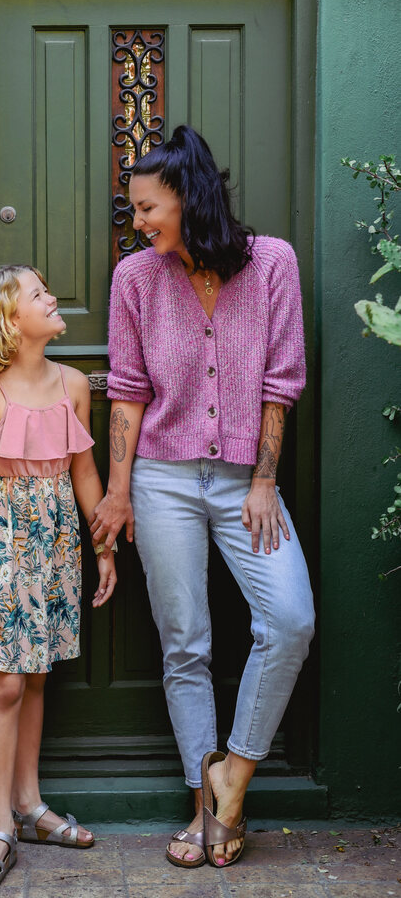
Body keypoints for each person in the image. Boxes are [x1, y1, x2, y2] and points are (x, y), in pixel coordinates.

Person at [90, 125, 315, 869]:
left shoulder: (272, 264)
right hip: (159, 479)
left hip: (245, 479)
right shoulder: (135, 279)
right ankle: (203, 809)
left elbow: (281, 384)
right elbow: (126, 393)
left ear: (190, 198)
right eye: (135, 211)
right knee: (185, 644)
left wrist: (262, 480)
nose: (139, 221)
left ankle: (232, 781)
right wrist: (118, 493)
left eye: (149, 207)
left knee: (289, 619)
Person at [0, 265, 117, 891]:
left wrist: (104, 547)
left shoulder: (74, 384)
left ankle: (30, 803)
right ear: (7, 320)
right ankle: (0, 827)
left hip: (54, 546)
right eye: (38, 292)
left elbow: (84, 474)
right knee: (4, 687)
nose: (52, 297)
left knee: (37, 676)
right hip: (0, 545)